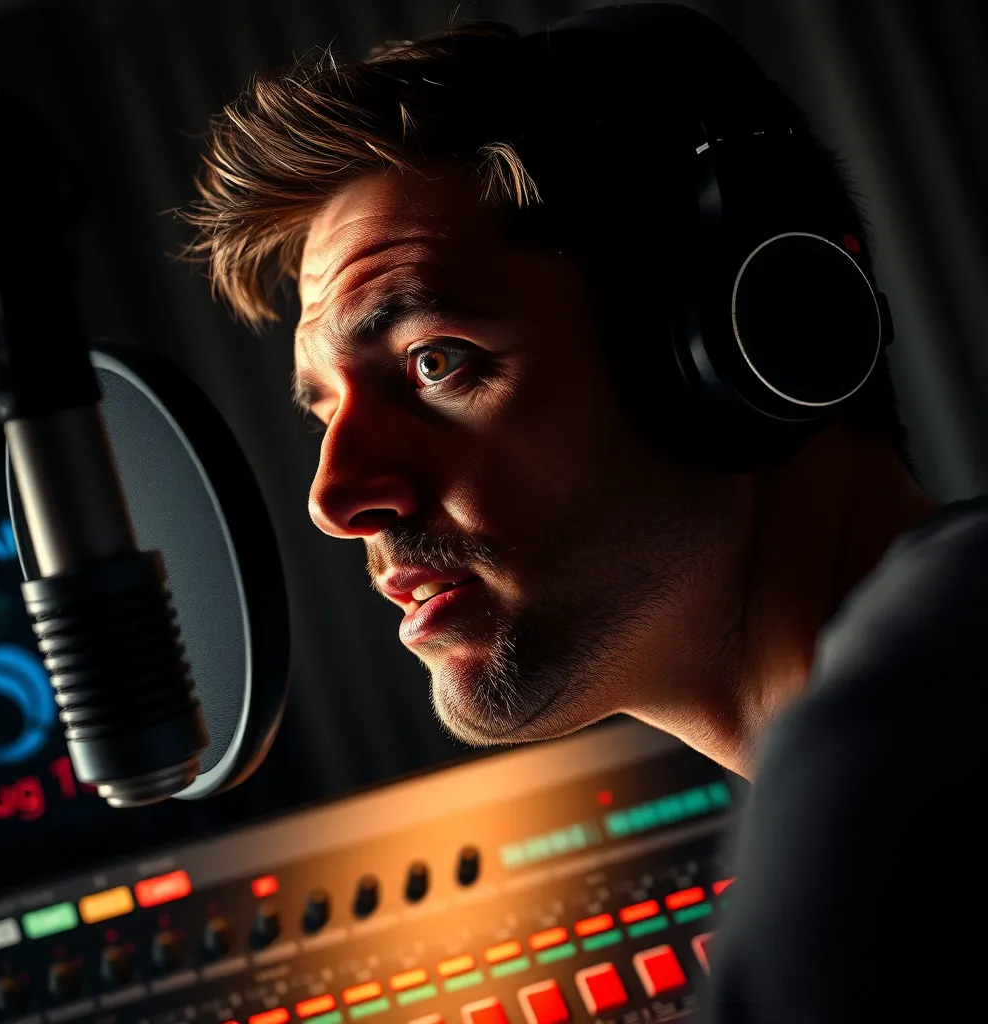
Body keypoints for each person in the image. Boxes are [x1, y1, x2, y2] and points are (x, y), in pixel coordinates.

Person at [184, 4, 986, 1020]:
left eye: (438, 362)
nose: (336, 499)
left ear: (750, 340)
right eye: (327, 411)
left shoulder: (905, 750)